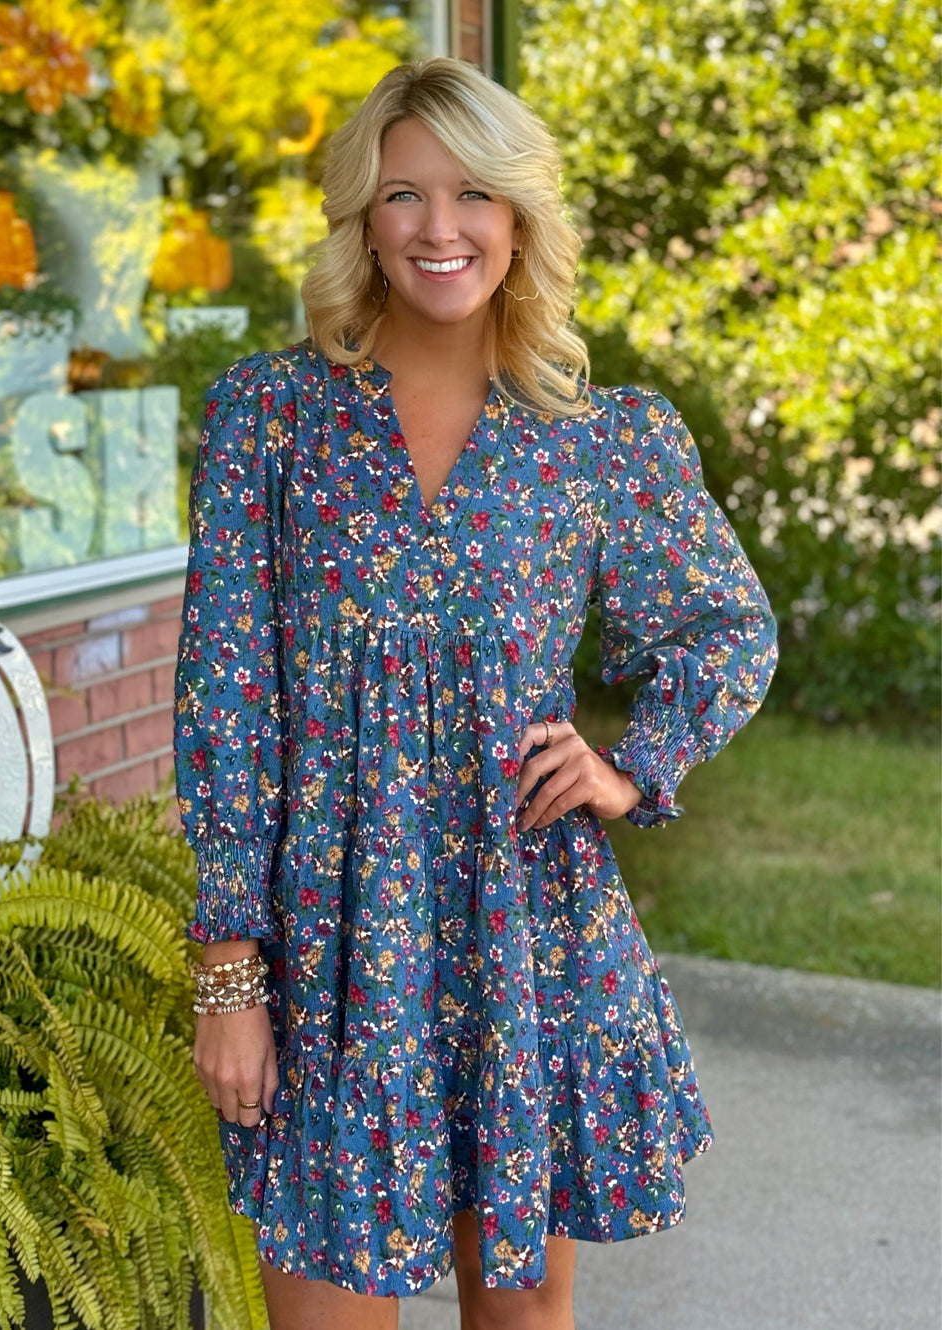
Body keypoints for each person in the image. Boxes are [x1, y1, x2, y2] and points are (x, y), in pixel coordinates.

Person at [173, 55, 777, 1330]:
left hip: (521, 933)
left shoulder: (599, 436)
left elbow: (725, 626)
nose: (437, 230)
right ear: (360, 217)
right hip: (332, 957)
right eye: (402, 195)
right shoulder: (269, 421)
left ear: (519, 217)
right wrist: (230, 973)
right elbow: (228, 707)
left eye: (471, 196)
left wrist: (630, 765)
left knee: (519, 1322)